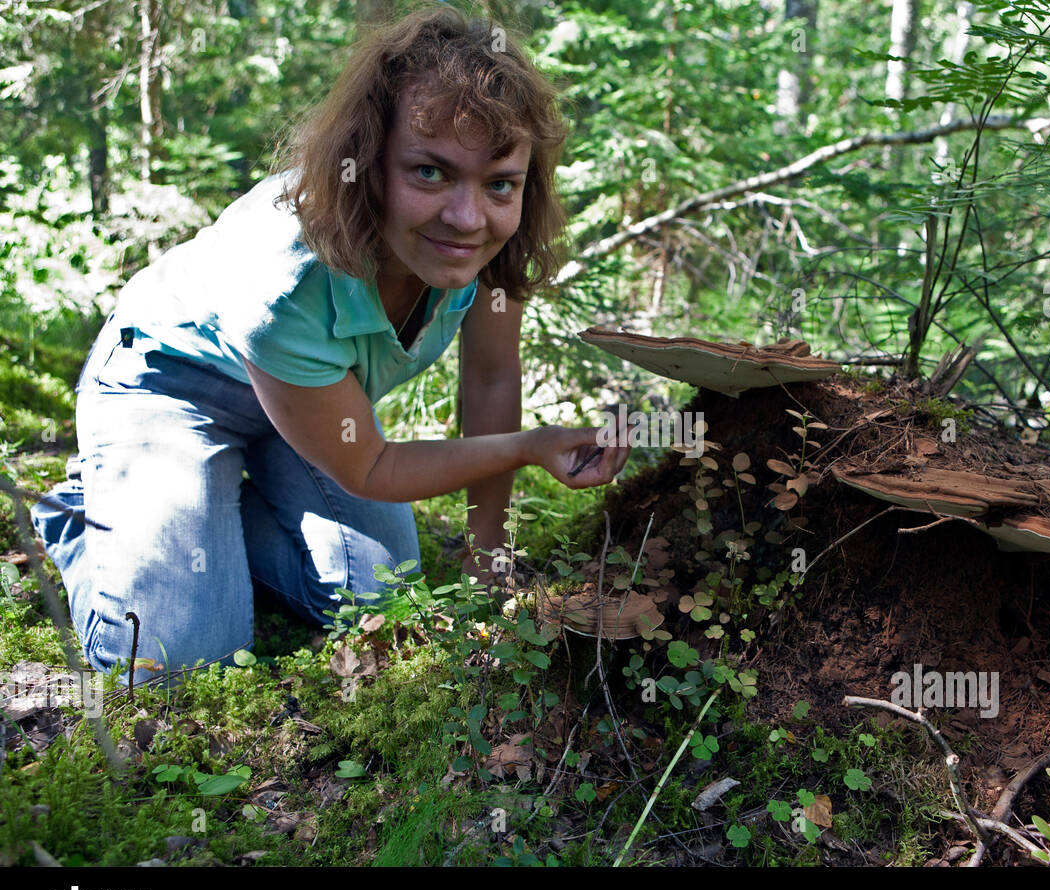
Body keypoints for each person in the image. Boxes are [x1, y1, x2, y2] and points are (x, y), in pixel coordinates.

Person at [30, 6, 628, 685]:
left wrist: (487, 552)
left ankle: (208, 508)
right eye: (429, 172)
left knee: (377, 592)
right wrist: (528, 446)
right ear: (367, 161)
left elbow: (490, 379)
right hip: (172, 384)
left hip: (308, 409)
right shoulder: (288, 275)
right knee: (176, 666)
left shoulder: (491, 247)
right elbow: (370, 469)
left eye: (498, 183)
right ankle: (87, 514)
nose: (467, 218)